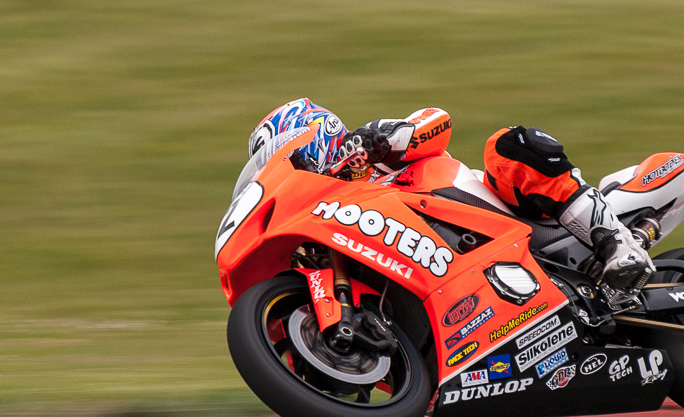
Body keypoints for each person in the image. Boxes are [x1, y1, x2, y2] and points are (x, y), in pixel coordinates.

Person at [247, 97, 654, 296]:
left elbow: (435, 121)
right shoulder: (326, 213)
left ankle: (618, 244)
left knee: (507, 146)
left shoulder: (367, 148)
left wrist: (380, 140)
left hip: (502, 214)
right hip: (459, 276)